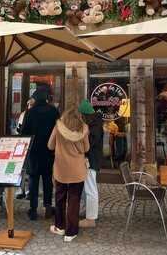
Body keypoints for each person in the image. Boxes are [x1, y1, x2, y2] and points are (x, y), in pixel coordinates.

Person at [48, 107, 90, 242]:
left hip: (61, 169)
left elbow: (50, 145)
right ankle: (71, 232)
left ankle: (60, 227)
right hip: (77, 171)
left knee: (60, 198)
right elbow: (86, 148)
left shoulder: (58, 127)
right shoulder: (83, 129)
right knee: (74, 200)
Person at [20, 85, 60, 220]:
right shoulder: (53, 111)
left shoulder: (30, 112)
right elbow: (59, 130)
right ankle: (48, 207)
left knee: (33, 179)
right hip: (49, 151)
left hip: (34, 151)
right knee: (48, 179)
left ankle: (33, 209)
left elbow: (24, 132)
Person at [78, 99, 103, 228]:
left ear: (84, 114)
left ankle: (91, 219)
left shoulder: (93, 125)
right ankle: (89, 212)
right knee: (86, 188)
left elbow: (90, 143)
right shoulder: (95, 123)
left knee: (90, 188)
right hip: (91, 159)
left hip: (91, 160)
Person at [15, 97, 35, 200]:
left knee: (29, 170)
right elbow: (18, 129)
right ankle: (21, 190)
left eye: (31, 105)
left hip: (31, 145)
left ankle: (28, 191)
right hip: (23, 144)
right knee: (22, 169)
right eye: (28, 105)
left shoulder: (35, 115)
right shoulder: (23, 114)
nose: (29, 107)